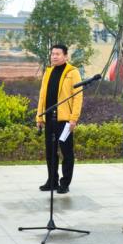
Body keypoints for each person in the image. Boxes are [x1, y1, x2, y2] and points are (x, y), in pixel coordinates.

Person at [36, 44, 84, 194]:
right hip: (49, 118)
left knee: (66, 152)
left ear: (65, 56)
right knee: (50, 151)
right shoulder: (48, 72)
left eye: (58, 54)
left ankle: (65, 183)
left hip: (65, 119)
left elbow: (78, 97)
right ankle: (52, 181)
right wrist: (39, 116)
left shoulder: (72, 72)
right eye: (52, 54)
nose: (54, 56)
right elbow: (42, 96)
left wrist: (73, 118)